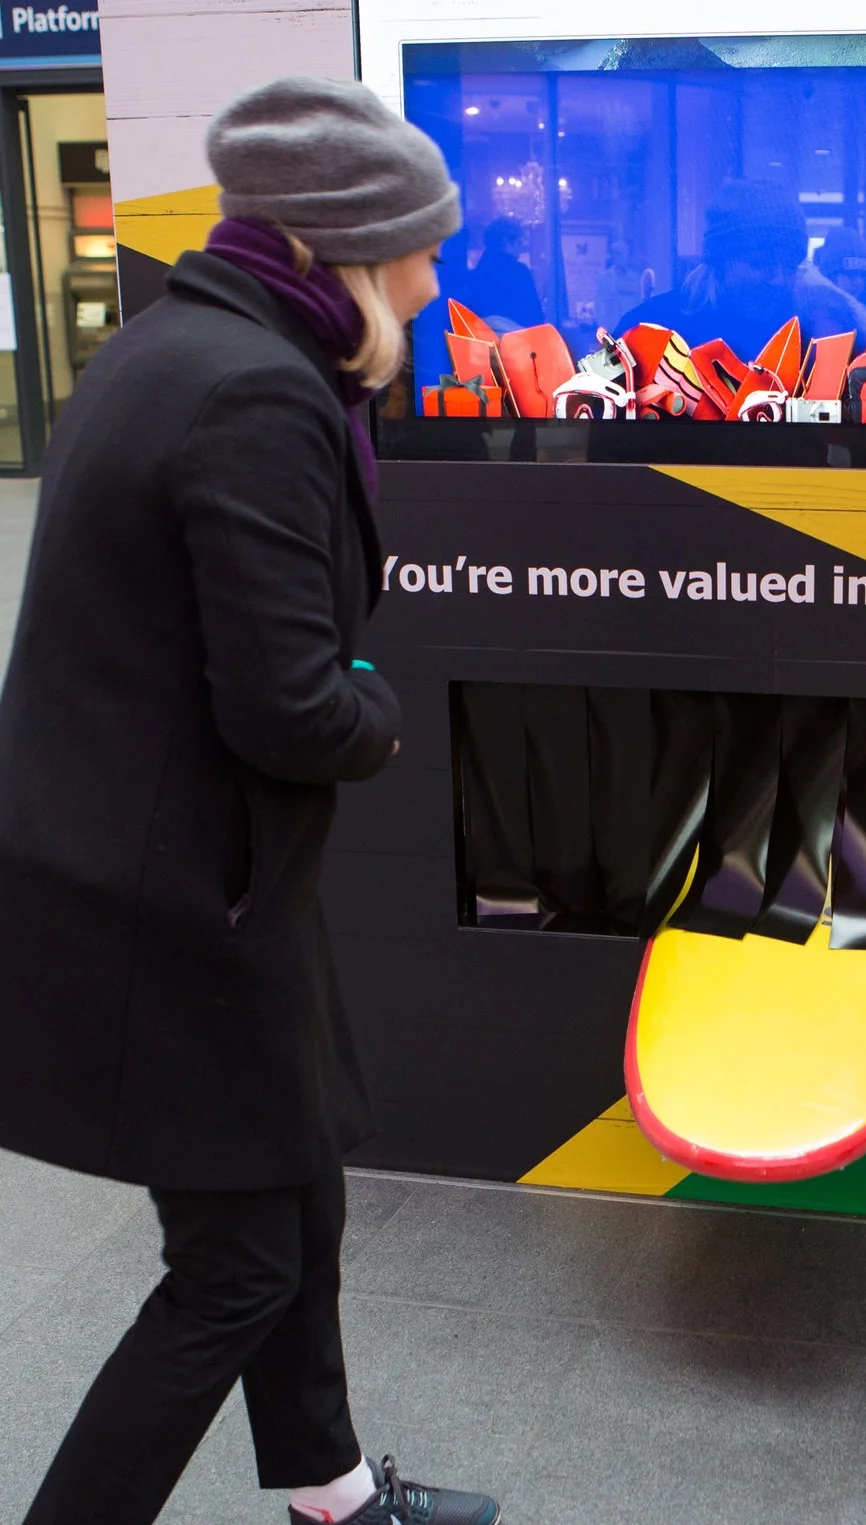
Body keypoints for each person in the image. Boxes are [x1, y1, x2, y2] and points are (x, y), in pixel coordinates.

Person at [0, 77, 501, 1525]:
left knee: (299, 1194)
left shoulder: (177, 343)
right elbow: (289, 706)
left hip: (159, 873)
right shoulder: (256, 392)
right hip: (165, 904)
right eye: (416, 245)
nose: (431, 273)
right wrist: (382, 714)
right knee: (237, 1266)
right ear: (349, 248)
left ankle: (331, 1497)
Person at [617, 178, 857, 358]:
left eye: (791, 265)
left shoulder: (814, 335)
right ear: (720, 262)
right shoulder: (648, 333)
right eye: (761, 263)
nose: (779, 279)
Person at [463, 214, 545, 330]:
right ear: (506, 242)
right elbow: (535, 318)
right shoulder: (519, 273)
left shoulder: (474, 276)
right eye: (519, 243)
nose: (521, 249)